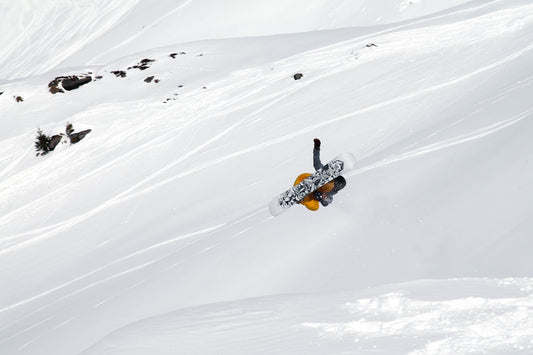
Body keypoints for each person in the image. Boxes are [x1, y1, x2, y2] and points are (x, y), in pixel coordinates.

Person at [294, 138, 347, 211]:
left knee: (315, 207)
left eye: (337, 187)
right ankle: (305, 190)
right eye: (336, 183)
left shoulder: (331, 193)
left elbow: (327, 202)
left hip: (307, 195)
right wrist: (317, 148)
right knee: (328, 185)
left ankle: (301, 198)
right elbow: (317, 164)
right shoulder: (326, 176)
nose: (335, 187)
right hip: (303, 179)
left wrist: (323, 198)